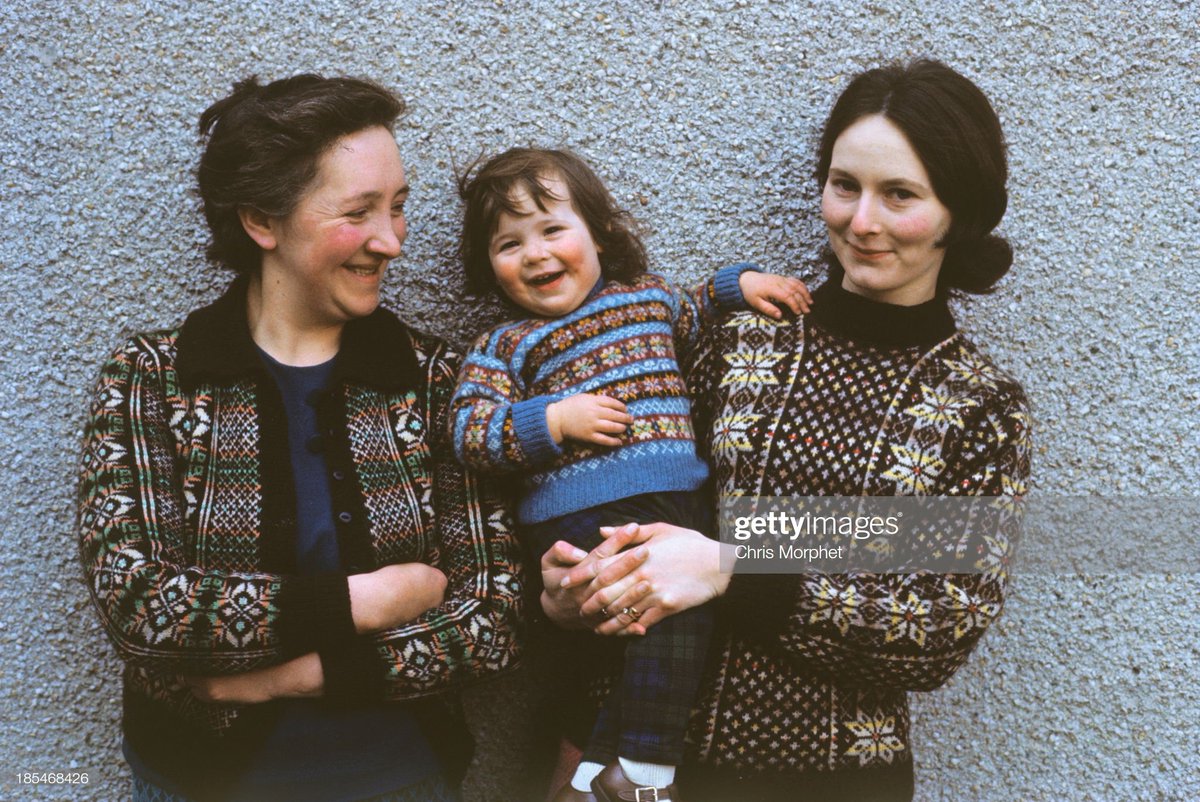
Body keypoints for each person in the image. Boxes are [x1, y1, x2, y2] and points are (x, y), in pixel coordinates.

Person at [539, 59, 1032, 801]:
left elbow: (936, 629)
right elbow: (637, 506)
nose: (861, 221)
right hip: (623, 758)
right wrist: (569, 591)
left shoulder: (980, 406)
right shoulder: (736, 339)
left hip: (831, 780)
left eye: (900, 194)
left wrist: (733, 567)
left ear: (957, 211)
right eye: (845, 186)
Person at [76, 74, 523, 802]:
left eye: (399, 207)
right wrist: (369, 601)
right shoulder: (151, 377)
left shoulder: (440, 382)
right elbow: (140, 605)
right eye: (359, 212)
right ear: (261, 219)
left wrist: (287, 676)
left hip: (401, 779)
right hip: (197, 784)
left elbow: (491, 618)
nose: (393, 242)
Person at [450, 147, 809, 801]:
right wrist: (553, 420)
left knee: (657, 626)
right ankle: (643, 772)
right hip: (581, 513)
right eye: (509, 243)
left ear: (599, 234)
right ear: (489, 266)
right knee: (665, 619)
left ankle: (597, 772)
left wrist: (743, 284)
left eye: (553, 229)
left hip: (676, 507)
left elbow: (699, 305)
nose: (534, 254)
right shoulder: (506, 345)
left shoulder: (645, 301)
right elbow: (472, 434)